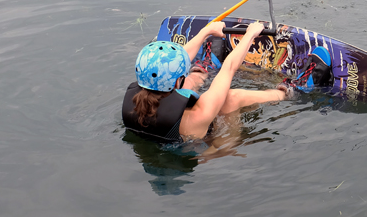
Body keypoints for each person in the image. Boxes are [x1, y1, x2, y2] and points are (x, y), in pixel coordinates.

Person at [122, 20, 288, 142]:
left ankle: (203, 69)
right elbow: (229, 68)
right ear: (175, 83)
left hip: (162, 138)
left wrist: (206, 32)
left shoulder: (135, 96)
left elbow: (171, 66)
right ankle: (284, 93)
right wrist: (251, 34)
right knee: (232, 97)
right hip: (205, 149)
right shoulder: (197, 115)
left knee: (191, 79)